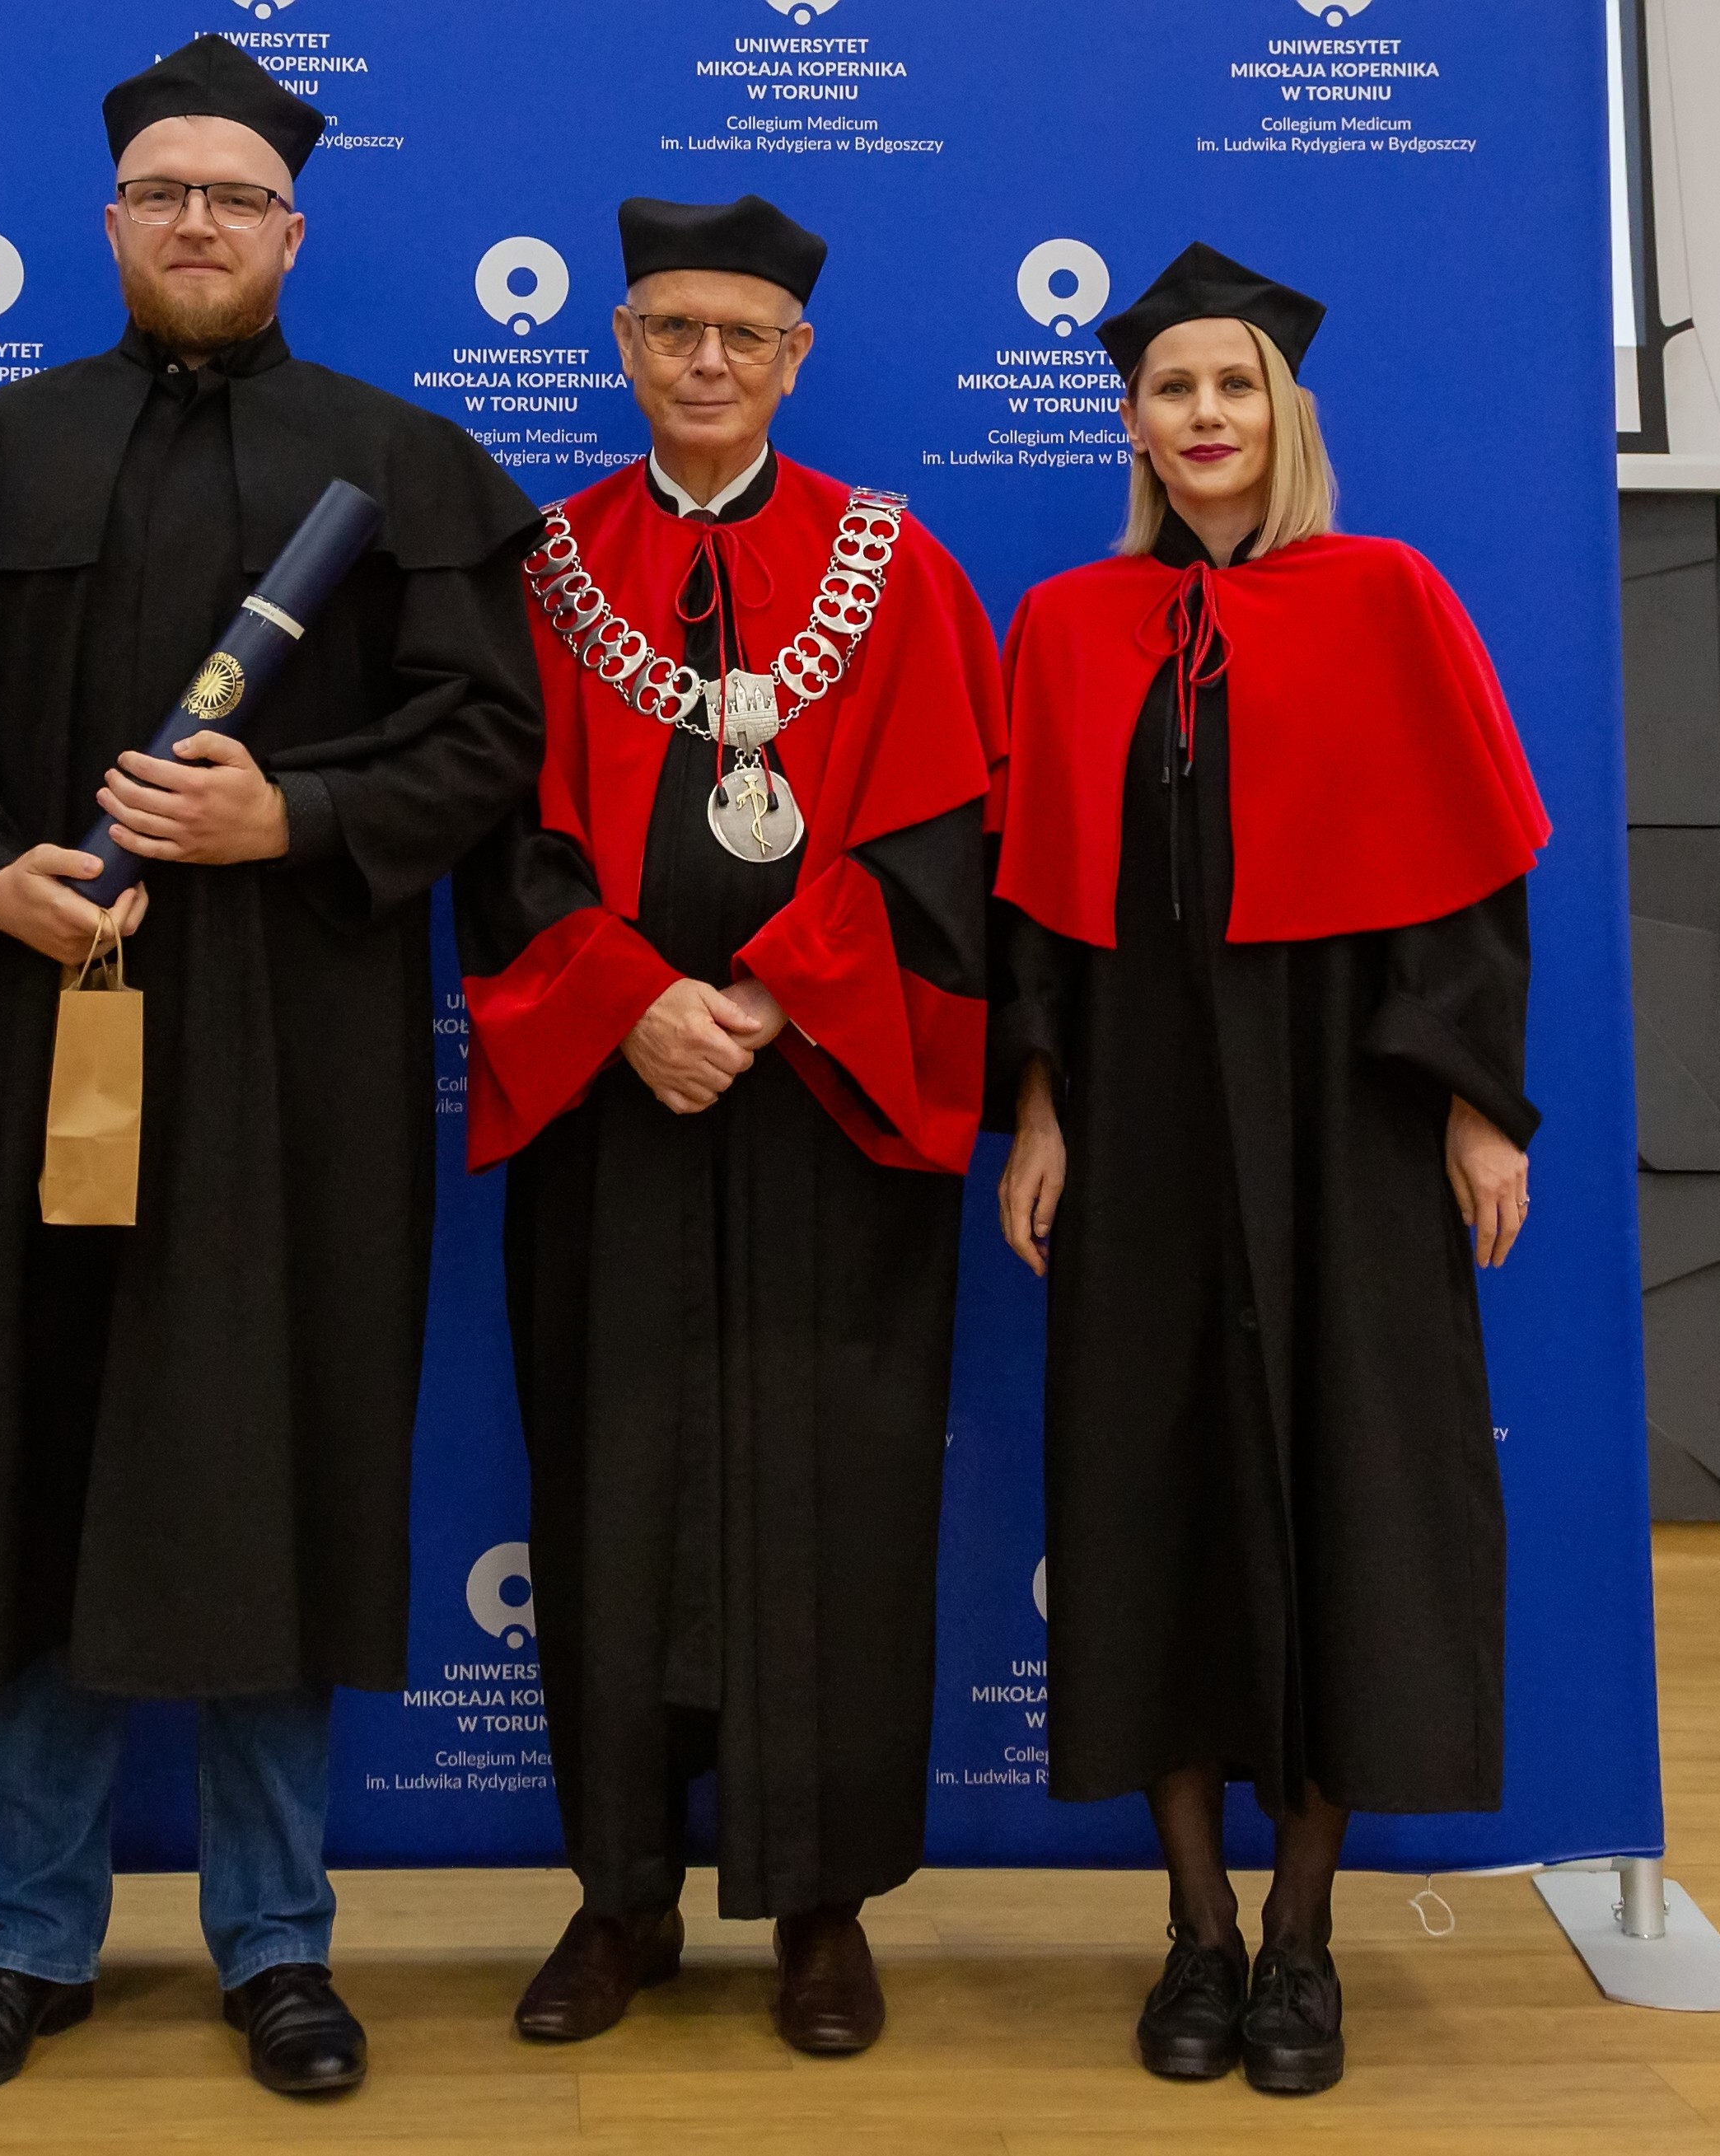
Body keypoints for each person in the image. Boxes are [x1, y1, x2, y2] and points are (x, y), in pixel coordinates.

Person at [0, 35, 545, 2102]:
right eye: (165, 192)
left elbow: (486, 737)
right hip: (48, 1019)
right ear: (113, 220)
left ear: (293, 232)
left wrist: (292, 817)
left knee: (276, 1455)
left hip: (301, 1046)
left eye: (235, 196)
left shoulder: (396, 463)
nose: (199, 223)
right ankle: (24, 1936)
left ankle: (278, 1942)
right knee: (43, 1444)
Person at [988, 243, 1551, 2097]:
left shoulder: (1387, 597)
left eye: (1234, 385)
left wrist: (1476, 1103)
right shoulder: (1068, 624)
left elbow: (1467, 875)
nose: (1205, 413)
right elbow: (1033, 905)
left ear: (1281, 413)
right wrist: (1040, 1106)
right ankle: (1195, 1928)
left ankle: (1303, 1937)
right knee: (1147, 1489)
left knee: (1344, 1480)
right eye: (1173, 388)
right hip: (1141, 1117)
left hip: (1347, 1113)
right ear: (1134, 424)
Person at [458, 195, 1002, 2057]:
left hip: (824, 1103)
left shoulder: (893, 565)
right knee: (609, 1485)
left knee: (835, 1490)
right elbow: (497, 837)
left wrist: (772, 996)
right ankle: (621, 1894)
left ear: (794, 356)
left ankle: (821, 1902)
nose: (707, 361)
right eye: (673, 329)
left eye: (742, 335)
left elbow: (943, 838)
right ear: (620, 345)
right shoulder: (542, 567)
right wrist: (629, 1005)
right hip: (611, 1100)